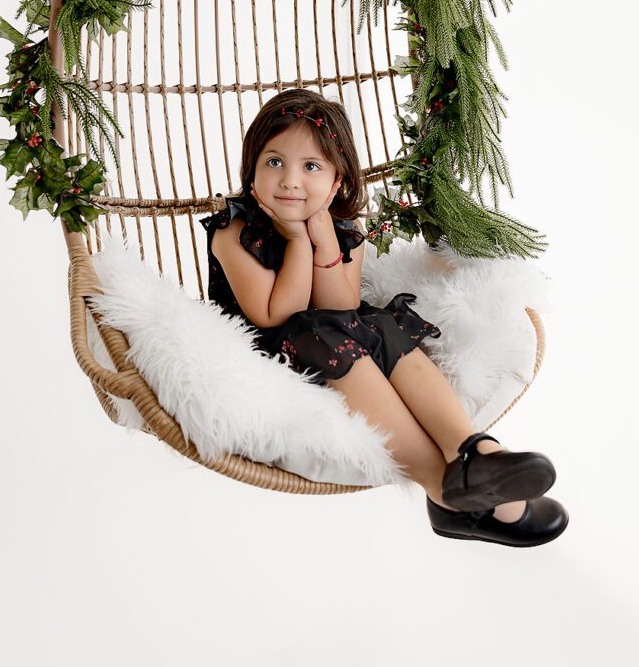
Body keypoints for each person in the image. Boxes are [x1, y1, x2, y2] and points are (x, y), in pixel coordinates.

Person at [199, 89, 568, 547]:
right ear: (252, 168)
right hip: (271, 351)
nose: (290, 180)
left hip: (333, 342)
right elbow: (275, 313)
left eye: (311, 167)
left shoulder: (342, 228)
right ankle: (444, 492)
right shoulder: (235, 230)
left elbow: (342, 305)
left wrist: (325, 242)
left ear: (336, 182)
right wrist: (296, 240)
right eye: (274, 161)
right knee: (320, 330)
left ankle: (473, 450)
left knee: (379, 324)